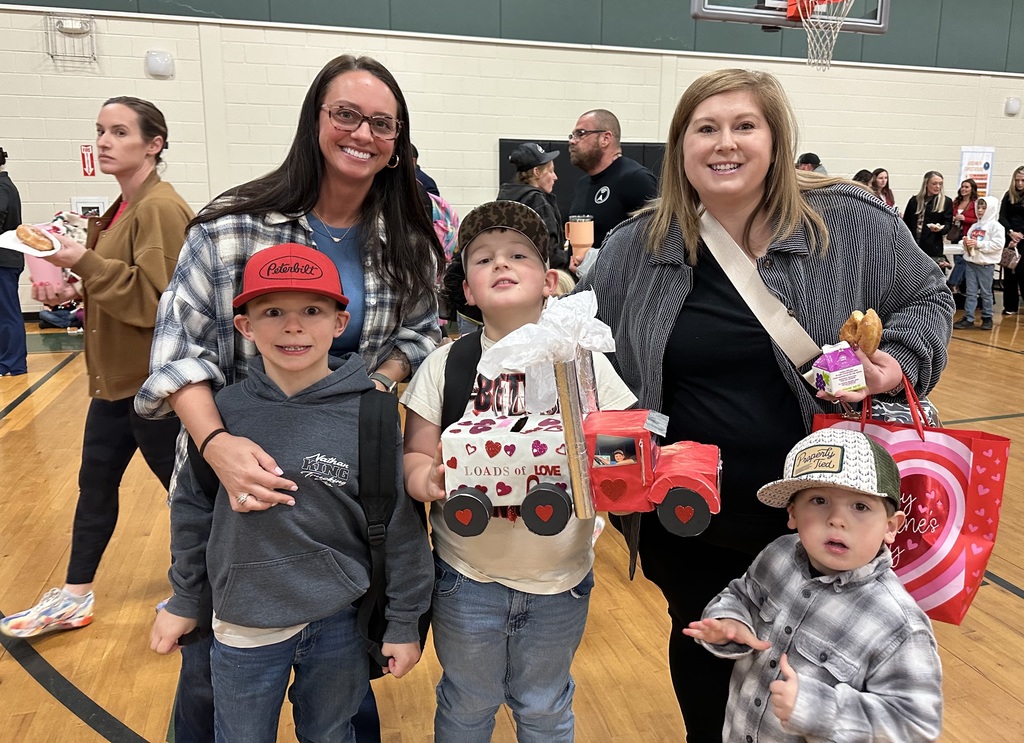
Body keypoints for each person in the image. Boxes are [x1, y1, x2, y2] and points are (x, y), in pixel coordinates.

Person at [576, 68, 953, 741]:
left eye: (744, 126)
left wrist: (895, 362)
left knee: (815, 688)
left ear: (776, 141)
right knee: (704, 652)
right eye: (706, 128)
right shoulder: (638, 247)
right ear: (680, 146)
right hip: (693, 522)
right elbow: (595, 354)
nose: (726, 143)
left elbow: (930, 298)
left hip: (821, 518)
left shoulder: (851, 222)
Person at [134, 55, 443, 742]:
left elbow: (423, 332)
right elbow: (177, 351)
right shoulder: (230, 226)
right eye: (347, 114)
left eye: (382, 123)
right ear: (315, 120)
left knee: (339, 677)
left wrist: (367, 395)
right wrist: (217, 445)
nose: (363, 132)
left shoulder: (410, 244)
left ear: (397, 143)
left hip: (340, 492)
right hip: (240, 495)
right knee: (216, 686)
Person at [150, 243, 432, 742]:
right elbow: (192, 512)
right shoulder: (221, 416)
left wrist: (405, 622)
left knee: (330, 732)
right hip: (242, 624)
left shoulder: (374, 413)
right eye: (273, 311)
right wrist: (184, 598)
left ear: (339, 323)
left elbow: (402, 529)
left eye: (312, 311)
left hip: (339, 621)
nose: (293, 326)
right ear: (245, 327)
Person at [402, 201, 636, 741]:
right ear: (467, 289)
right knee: (466, 702)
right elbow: (416, 454)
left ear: (550, 279)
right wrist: (427, 479)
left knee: (545, 704)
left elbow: (621, 440)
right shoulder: (447, 364)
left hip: (561, 576)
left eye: (518, 255)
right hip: (467, 577)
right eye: (482, 259)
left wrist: (615, 474)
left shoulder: (582, 359)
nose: (500, 265)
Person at [0, 98, 192, 637]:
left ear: (153, 144)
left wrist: (80, 262)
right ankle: (75, 594)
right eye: (101, 131)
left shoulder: (158, 208)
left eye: (120, 132)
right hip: (116, 383)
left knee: (185, 496)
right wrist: (75, 288)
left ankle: (199, 593)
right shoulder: (121, 208)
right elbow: (120, 281)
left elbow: (160, 303)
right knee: (95, 486)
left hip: (154, 387)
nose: (105, 141)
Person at [684, 428, 943, 742]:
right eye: (819, 500)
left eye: (860, 507)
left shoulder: (899, 625)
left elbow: (916, 725)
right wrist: (730, 620)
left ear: (890, 527)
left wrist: (821, 710)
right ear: (793, 513)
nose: (836, 519)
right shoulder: (778, 554)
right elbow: (742, 593)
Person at [567, 109, 658, 253]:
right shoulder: (583, 184)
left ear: (605, 139)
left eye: (581, 133)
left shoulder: (635, 179)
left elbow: (656, 242)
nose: (572, 141)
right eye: (572, 135)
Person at [498, 142, 568, 269]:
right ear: (536, 172)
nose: (555, 177)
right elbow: (549, 251)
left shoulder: (504, 199)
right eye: (550, 171)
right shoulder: (537, 201)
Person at [953, 195, 1005, 331]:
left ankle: (987, 317)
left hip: (985, 265)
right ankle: (968, 317)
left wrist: (978, 244)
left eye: (984, 207)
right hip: (971, 263)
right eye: (979, 207)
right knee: (970, 292)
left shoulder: (996, 227)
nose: (980, 210)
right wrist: (965, 243)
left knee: (986, 292)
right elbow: (968, 240)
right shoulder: (974, 226)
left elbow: (997, 245)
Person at [0, 146, 26, 377]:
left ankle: (13, 364)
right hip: (7, 259)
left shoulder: (1, 187)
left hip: (4, 261)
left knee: (8, 313)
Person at [904, 171, 954, 267]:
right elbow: (906, 223)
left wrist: (941, 229)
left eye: (940, 184)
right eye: (934, 184)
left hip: (933, 246)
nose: (938, 187)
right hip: (913, 244)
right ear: (926, 184)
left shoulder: (946, 201)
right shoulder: (914, 201)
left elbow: (948, 224)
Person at [998, 165, 1024, 315]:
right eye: (1017, 180)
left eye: (1022, 180)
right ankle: (1010, 306)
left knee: (1021, 270)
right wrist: (1011, 233)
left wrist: (1020, 236)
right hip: (1010, 238)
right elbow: (1002, 216)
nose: (1019, 184)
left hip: (1023, 239)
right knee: (1009, 271)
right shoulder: (1009, 195)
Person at [948, 178, 979, 293]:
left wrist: (965, 219)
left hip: (968, 234)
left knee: (963, 260)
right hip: (956, 233)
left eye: (967, 187)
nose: (964, 189)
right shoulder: (956, 202)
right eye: (962, 186)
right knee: (958, 260)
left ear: (972, 189)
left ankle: (952, 283)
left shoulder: (975, 203)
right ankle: (960, 287)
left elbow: (978, 219)